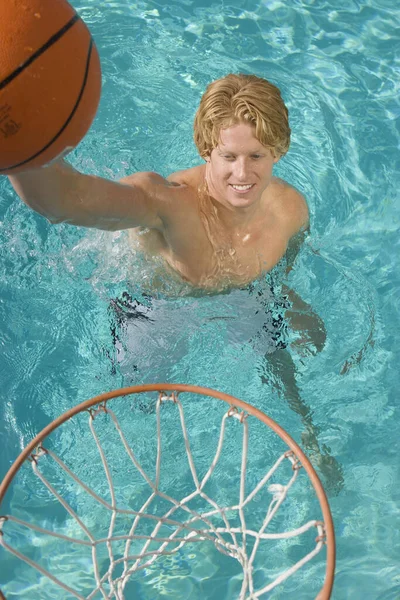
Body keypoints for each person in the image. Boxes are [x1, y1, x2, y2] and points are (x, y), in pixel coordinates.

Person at [7, 73, 343, 491]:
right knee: (134, 415)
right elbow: (63, 199)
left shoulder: (291, 210)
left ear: (277, 150)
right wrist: (15, 139)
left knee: (286, 372)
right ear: (206, 150)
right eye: (228, 156)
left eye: (256, 156)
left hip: (247, 296)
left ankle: (308, 438)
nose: (243, 173)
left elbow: (278, 275)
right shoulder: (168, 202)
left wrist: (287, 301)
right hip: (158, 312)